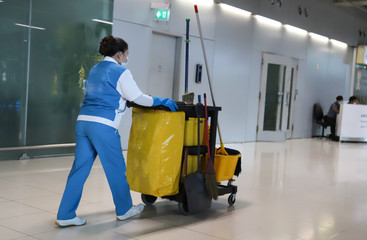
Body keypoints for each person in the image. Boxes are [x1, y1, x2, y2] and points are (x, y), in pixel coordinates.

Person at [55, 35, 178, 227]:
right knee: (116, 169)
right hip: (103, 125)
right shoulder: (120, 71)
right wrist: (162, 100)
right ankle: (125, 209)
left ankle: (65, 215)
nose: (128, 57)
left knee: (79, 170)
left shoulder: (95, 69)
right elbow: (138, 97)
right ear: (120, 54)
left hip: (83, 122)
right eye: (127, 53)